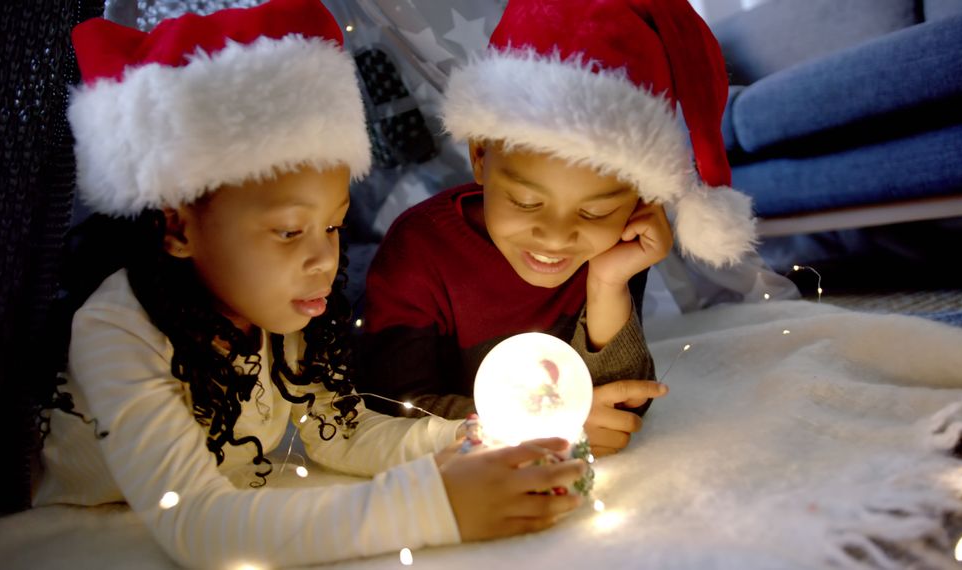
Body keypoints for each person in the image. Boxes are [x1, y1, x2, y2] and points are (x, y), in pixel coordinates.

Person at [33, 1, 585, 567]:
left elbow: (340, 433)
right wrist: (435, 505)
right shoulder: (117, 331)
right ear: (177, 226)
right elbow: (195, 522)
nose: (324, 257)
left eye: (333, 225)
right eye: (290, 230)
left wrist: (472, 436)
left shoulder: (280, 312)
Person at [358, 0, 758, 456]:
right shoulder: (418, 250)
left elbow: (623, 401)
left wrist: (609, 284)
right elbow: (388, 405)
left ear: (640, 202)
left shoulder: (612, 247)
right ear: (481, 157)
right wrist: (544, 426)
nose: (555, 237)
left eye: (593, 213)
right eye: (526, 201)